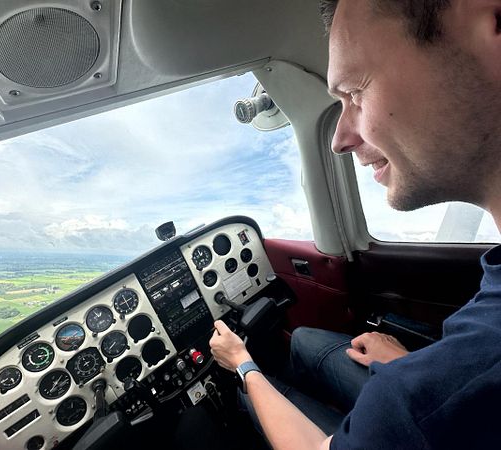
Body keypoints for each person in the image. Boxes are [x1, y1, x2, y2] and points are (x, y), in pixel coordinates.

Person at [209, 0, 501, 448]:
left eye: (356, 93)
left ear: (491, 20)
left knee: (251, 391)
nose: (340, 140)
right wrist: (407, 363)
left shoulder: (413, 407)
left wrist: (243, 363)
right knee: (304, 338)